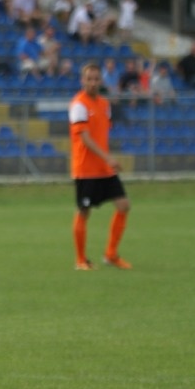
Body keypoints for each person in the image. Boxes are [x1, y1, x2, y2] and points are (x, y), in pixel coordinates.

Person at [69, 63, 132, 271]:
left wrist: (107, 159)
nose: (93, 82)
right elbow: (85, 138)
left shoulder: (105, 104)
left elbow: (101, 133)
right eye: (89, 79)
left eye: (97, 79)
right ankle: (80, 260)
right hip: (86, 169)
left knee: (123, 205)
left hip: (104, 169)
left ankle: (111, 254)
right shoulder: (78, 104)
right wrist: (109, 157)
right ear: (83, 80)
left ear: (101, 80)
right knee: (84, 211)